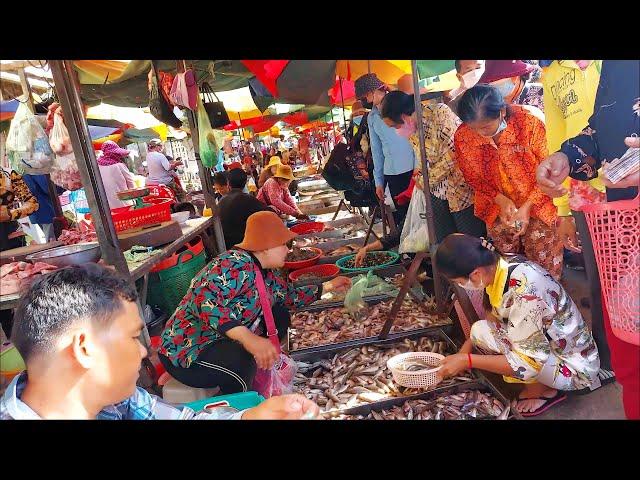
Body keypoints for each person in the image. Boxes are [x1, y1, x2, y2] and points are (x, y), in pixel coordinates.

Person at [0, 264, 320, 420]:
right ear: (84, 349)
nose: (143, 350)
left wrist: (254, 416)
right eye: (131, 337)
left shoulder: (117, 400)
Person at [535, 60, 639, 419]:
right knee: (630, 361)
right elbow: (604, 129)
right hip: (626, 239)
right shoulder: (618, 67)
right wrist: (568, 156)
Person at [158, 211, 351, 393]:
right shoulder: (232, 264)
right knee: (242, 362)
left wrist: (328, 286)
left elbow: (288, 296)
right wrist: (249, 340)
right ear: (265, 246)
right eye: (284, 244)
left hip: (219, 339)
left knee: (280, 316)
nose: (288, 250)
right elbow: (207, 303)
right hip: (190, 347)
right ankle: (242, 406)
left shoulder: (267, 271)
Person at [435, 234, 600, 416]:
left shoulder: (525, 293)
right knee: (479, 331)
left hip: (577, 368)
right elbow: (492, 323)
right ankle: (540, 384)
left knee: (524, 362)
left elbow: (528, 363)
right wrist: (462, 353)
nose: (462, 286)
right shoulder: (499, 264)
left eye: (460, 282)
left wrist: (468, 361)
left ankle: (544, 391)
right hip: (551, 344)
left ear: (476, 273)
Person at [454, 84, 564, 280]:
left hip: (540, 206)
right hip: (498, 211)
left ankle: (548, 306)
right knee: (507, 268)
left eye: (486, 126)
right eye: (474, 128)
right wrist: (501, 201)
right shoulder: (463, 136)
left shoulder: (529, 124)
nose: (480, 133)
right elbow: (471, 176)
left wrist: (527, 206)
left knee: (544, 269)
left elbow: (551, 171)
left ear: (502, 111)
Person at [380, 90, 486, 243]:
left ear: (404, 117)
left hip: (462, 190)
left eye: (395, 126)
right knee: (446, 243)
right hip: (436, 193)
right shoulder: (413, 131)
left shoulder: (439, 113)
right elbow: (424, 161)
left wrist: (425, 181)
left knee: (471, 243)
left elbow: (453, 154)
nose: (395, 130)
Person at [354, 73, 418, 227]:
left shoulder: (399, 103)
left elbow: (416, 139)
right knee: (401, 218)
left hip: (412, 169)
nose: (366, 100)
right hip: (391, 172)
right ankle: (406, 249)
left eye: (366, 96)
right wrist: (379, 182)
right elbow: (376, 151)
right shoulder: (372, 117)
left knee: (418, 213)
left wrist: (418, 168)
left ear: (375, 90)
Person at [216, 168, 269, 248]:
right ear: (245, 183)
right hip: (242, 246)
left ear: (228, 184)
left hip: (227, 246)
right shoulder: (246, 199)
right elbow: (269, 212)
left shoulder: (221, 201)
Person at [477, 60, 545, 113]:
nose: (489, 86)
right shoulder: (481, 101)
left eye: (493, 81)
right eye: (487, 83)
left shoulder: (541, 95)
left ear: (516, 77)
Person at [1, 168, 38, 251]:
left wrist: (11, 214)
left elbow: (32, 203)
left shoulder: (10, 174)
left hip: (10, 233)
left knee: (18, 262)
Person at [22, 174, 64, 242]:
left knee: (52, 239)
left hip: (36, 211)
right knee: (55, 241)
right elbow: (48, 188)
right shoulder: (36, 170)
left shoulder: (24, 169)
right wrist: (64, 186)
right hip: (47, 211)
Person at [96, 140, 136, 210]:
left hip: (108, 207)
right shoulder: (119, 165)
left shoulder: (98, 166)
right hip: (125, 204)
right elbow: (131, 185)